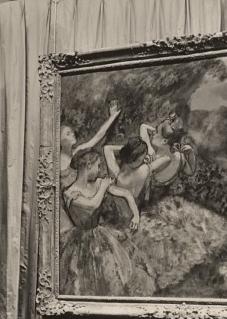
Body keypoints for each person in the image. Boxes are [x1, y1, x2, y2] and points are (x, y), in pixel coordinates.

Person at [58, 150, 156, 297]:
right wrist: (104, 187)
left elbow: (126, 194)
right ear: (88, 165)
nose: (100, 170)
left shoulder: (98, 183)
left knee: (116, 271)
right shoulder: (69, 192)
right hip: (80, 240)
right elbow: (92, 205)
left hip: (101, 235)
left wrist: (136, 216)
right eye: (98, 166)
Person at [59, 100, 121, 190]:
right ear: (59, 141)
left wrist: (113, 116)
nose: (72, 134)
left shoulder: (78, 150)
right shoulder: (57, 161)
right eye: (68, 134)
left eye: (72, 132)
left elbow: (98, 135)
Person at [139, 112, 197, 186]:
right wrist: (149, 147)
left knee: (179, 156)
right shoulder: (155, 145)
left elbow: (190, 172)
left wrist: (190, 153)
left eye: (156, 132)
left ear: (164, 141)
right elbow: (143, 127)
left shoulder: (166, 158)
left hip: (157, 179)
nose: (152, 133)